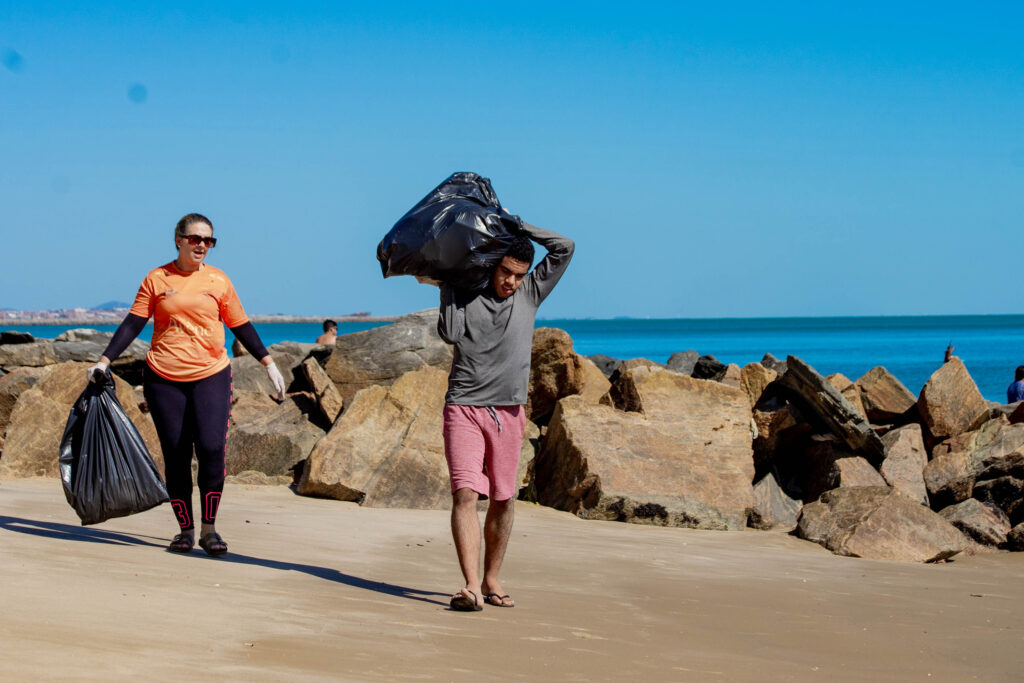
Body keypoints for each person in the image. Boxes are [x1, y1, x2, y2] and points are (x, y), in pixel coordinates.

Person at [86, 213, 286, 557]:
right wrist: (104, 361)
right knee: (176, 456)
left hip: (212, 373)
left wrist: (268, 363)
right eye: (196, 239)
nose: (202, 246)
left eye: (209, 241)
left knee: (210, 448)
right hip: (163, 377)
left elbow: (240, 324)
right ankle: (185, 530)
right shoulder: (157, 278)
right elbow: (134, 322)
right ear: (179, 239)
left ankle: (209, 529)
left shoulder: (218, 280)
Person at [437, 220, 573, 611]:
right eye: (505, 273)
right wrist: (450, 284)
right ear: (491, 266)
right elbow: (449, 334)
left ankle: (491, 579)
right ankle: (469, 586)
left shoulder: (530, 294)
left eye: (518, 275)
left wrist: (517, 226)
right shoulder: (464, 292)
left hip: (509, 412)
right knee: (465, 493)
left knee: (504, 498)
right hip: (463, 406)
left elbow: (565, 246)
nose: (511, 282)